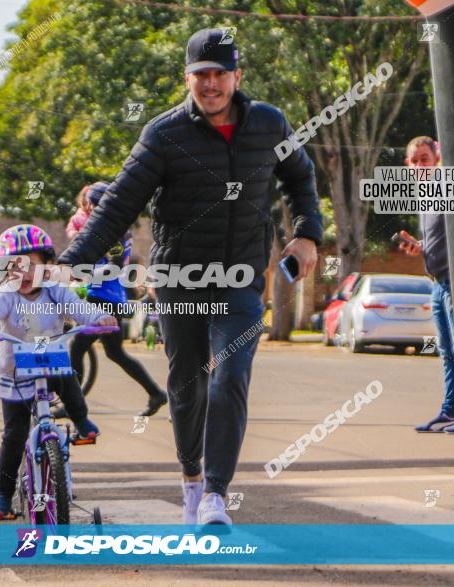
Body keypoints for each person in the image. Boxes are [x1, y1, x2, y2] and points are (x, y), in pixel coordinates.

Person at [57, 29, 322, 525]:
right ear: (188, 79)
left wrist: (307, 232)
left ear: (237, 77)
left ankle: (216, 495)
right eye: (202, 74)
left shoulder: (269, 124)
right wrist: (69, 263)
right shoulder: (164, 134)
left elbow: (300, 176)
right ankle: (191, 480)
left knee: (230, 376)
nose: (211, 83)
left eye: (220, 73)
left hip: (241, 276)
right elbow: (117, 205)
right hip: (180, 277)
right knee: (187, 383)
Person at [0, 224, 115, 520]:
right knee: (14, 436)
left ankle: (81, 420)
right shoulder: (6, 295)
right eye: (13, 266)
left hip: (49, 363)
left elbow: (79, 309)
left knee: (68, 379)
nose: (23, 273)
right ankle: (3, 495)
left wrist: (99, 317)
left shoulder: (56, 292)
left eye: (30, 264)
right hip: (15, 375)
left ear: (47, 265)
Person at [62, 181, 168, 418]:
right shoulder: (106, 227)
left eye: (89, 203)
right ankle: (155, 393)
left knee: (76, 347)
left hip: (104, 299)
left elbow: (114, 267)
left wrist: (82, 274)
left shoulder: (116, 231)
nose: (86, 208)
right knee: (115, 353)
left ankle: (73, 405)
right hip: (107, 297)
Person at [399, 136, 454, 435]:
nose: (419, 166)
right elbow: (437, 240)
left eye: (425, 159)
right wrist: (419, 246)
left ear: (437, 158)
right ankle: (449, 411)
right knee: (446, 351)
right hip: (437, 285)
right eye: (414, 162)